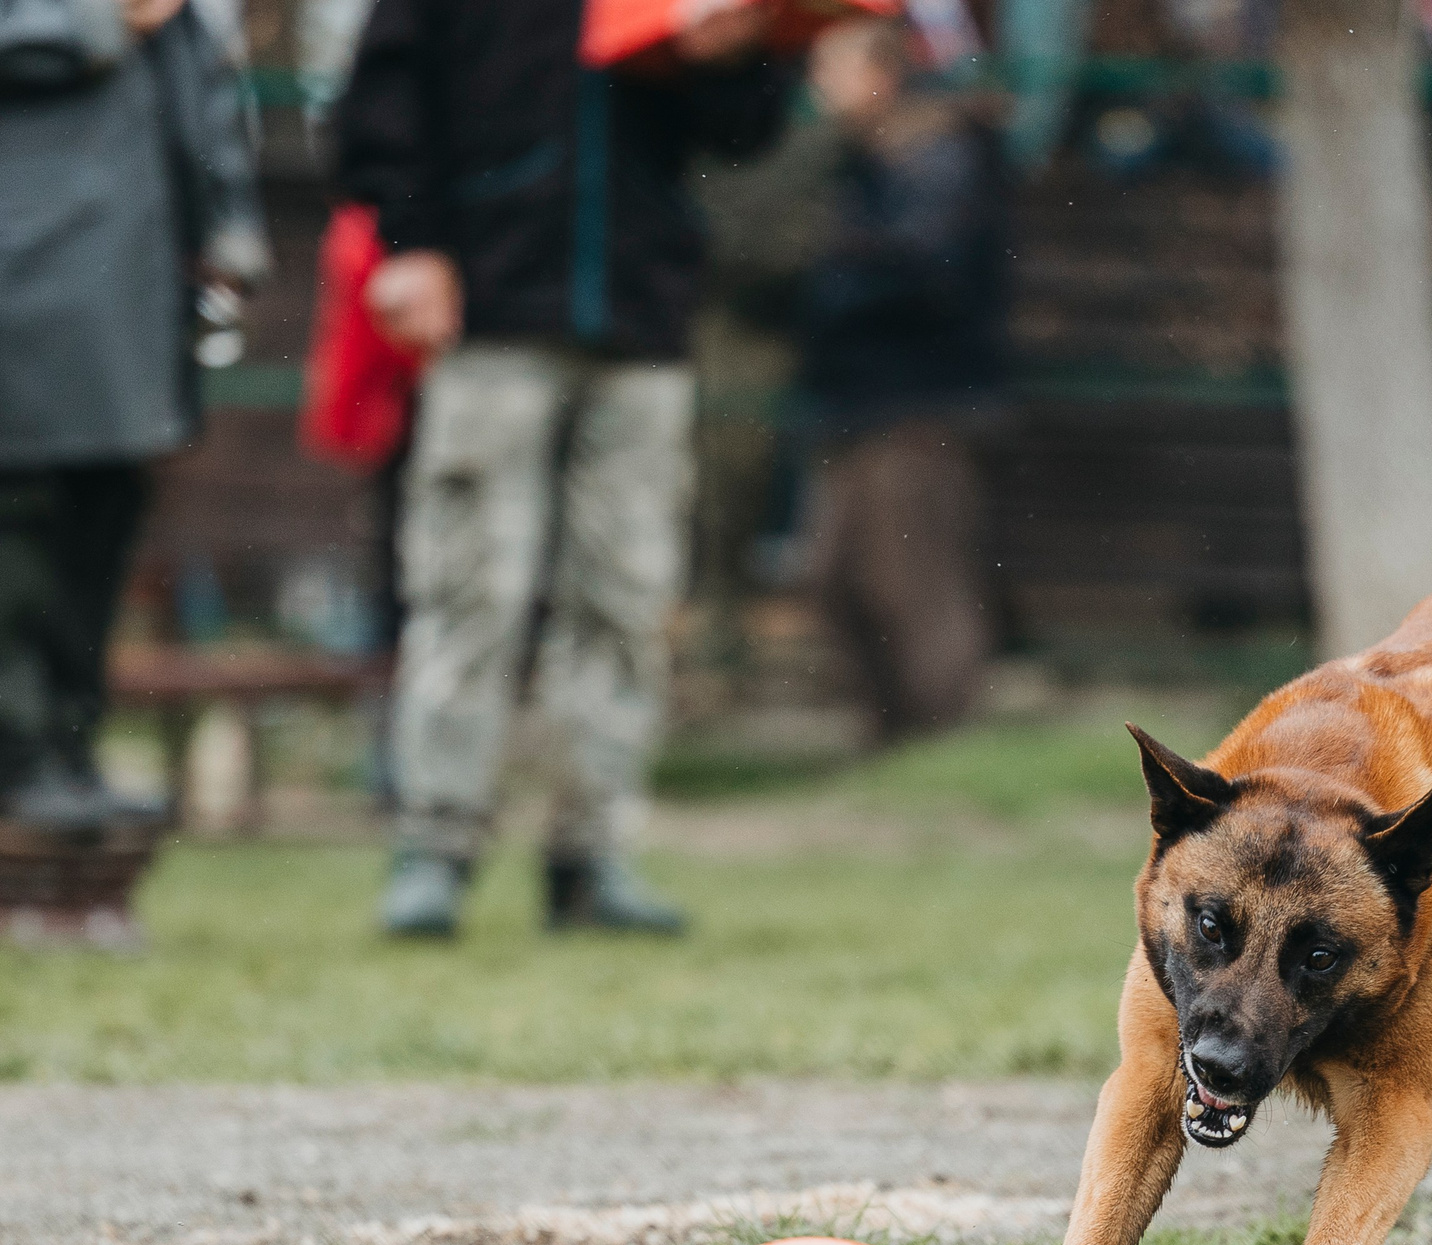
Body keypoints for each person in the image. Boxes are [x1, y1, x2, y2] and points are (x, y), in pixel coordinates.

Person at [336, 0, 792, 938]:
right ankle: (434, 849)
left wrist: (729, 56)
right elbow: (384, 94)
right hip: (489, 309)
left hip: (641, 318)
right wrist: (410, 240)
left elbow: (748, 132)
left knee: (626, 598)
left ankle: (592, 855)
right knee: (469, 588)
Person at [0, 0, 268, 834]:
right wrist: (103, 23)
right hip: (28, 272)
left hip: (134, 278)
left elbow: (203, 85)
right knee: (21, 523)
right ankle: (19, 757)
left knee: (105, 514)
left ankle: (72, 753)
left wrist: (229, 224)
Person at [792, 13, 1009, 739]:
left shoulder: (935, 153)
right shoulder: (865, 160)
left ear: (881, 76)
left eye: (832, 69)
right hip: (861, 398)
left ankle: (944, 740)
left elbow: (930, 269)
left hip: (920, 400)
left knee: (915, 583)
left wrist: (822, 275)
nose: (816, 86)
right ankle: (890, 739)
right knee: (837, 577)